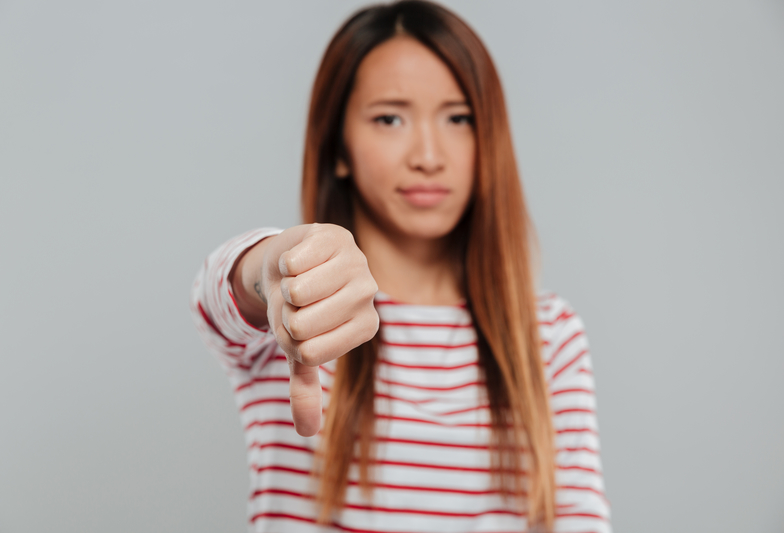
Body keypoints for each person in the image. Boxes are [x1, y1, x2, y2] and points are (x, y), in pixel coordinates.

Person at [190, 1, 611, 531]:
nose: (429, 156)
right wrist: (272, 268)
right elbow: (219, 295)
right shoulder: (296, 315)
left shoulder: (549, 336)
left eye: (459, 118)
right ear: (337, 145)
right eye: (389, 118)